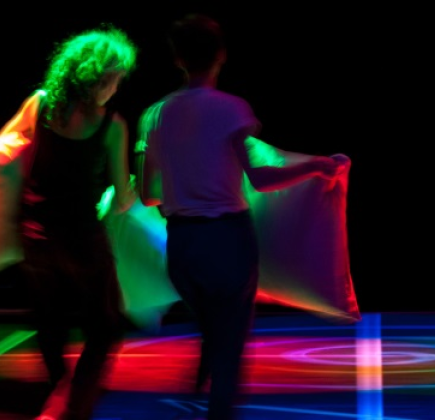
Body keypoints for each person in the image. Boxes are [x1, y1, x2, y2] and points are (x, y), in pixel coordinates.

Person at [135, 14, 347, 420]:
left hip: (183, 246)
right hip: (228, 241)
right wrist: (318, 165)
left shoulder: (154, 116)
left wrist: (181, 183)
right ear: (221, 55)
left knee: (211, 329)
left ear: (177, 59)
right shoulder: (231, 109)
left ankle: (200, 381)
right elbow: (261, 179)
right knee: (229, 347)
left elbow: (148, 195)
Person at [0, 24, 138, 420]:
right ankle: (74, 406)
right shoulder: (112, 126)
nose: (117, 88)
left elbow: (1, 153)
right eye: (116, 80)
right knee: (105, 326)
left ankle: (59, 387)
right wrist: (121, 194)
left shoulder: (39, 105)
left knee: (50, 323)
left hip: (37, 237)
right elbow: (123, 198)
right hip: (82, 240)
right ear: (100, 78)